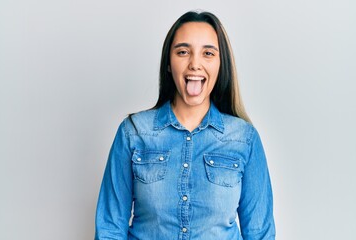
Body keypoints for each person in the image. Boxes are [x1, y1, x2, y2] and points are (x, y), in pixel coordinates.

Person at [95, 11, 275, 240]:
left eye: (208, 53)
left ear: (221, 65)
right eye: (183, 52)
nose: (195, 64)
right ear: (169, 63)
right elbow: (109, 228)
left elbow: (260, 233)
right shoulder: (134, 132)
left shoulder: (244, 138)